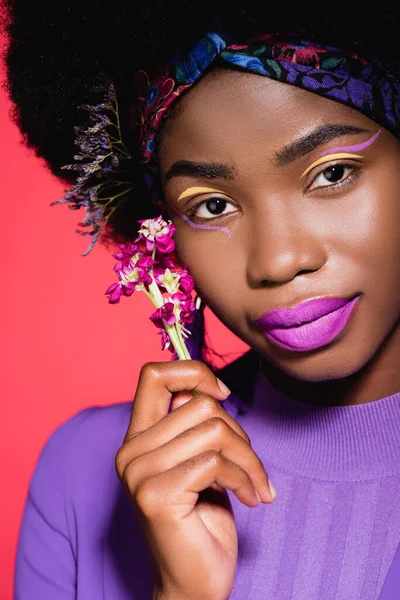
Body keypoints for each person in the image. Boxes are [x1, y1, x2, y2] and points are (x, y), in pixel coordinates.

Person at [4, 1, 400, 598]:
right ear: (164, 231)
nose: (276, 260)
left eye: (333, 173)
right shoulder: (83, 475)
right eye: (212, 206)